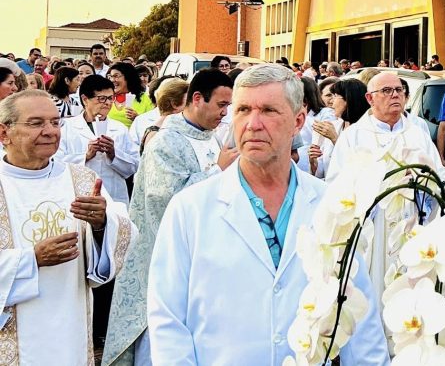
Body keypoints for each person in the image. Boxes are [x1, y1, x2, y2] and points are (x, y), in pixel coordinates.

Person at [146, 65, 390, 364]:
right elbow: (168, 320)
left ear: (298, 121)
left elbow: (358, 314)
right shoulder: (190, 209)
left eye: (269, 111)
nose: (253, 124)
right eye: (243, 110)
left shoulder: (333, 206)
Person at [101, 68, 237, 366]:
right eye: (221, 105)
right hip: (169, 258)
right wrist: (217, 171)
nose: (225, 113)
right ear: (198, 99)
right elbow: (166, 201)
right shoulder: (166, 142)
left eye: (229, 106)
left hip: (208, 258)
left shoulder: (211, 139)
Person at [0, 90, 137, 365]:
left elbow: (124, 235)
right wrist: (31, 260)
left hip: (69, 324)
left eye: (54, 122)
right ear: (4, 133)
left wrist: (101, 225)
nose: (50, 131)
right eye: (36, 123)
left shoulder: (83, 180)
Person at [326, 72, 444, 305]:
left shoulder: (417, 134)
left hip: (413, 223)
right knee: (375, 293)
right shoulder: (354, 137)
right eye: (387, 91)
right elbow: (336, 185)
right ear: (370, 98)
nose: (395, 95)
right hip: (373, 227)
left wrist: (418, 179)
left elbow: (439, 178)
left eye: (399, 90)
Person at [58, 74, 139, 205]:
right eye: (101, 98)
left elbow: (134, 166)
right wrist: (86, 156)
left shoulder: (119, 129)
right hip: (77, 197)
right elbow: (56, 163)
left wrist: (114, 154)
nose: (107, 103)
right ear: (85, 99)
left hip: (113, 196)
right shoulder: (67, 128)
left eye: (110, 98)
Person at [306, 78, 368, 178]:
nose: (332, 102)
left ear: (348, 99)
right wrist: (313, 162)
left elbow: (359, 167)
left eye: (335, 96)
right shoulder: (334, 125)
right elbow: (324, 170)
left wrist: (335, 139)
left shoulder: (367, 129)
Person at [133, 78, 188, 151]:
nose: (193, 106)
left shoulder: (170, 128)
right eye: (188, 102)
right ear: (174, 104)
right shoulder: (161, 135)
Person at [106, 63, 155, 129]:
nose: (112, 80)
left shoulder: (145, 99)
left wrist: (138, 118)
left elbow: (153, 125)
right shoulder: (105, 98)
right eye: (111, 76)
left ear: (128, 77)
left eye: (116, 76)